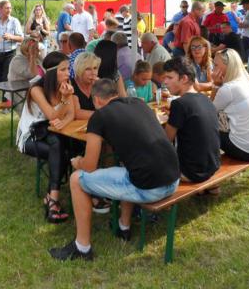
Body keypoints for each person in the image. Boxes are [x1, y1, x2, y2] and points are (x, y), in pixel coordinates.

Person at [49, 78, 179, 260]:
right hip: (173, 180)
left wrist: (78, 162)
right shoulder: (139, 103)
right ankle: (123, 227)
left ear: (96, 99)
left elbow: (90, 165)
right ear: (115, 94)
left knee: (76, 179)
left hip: (150, 188)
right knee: (127, 167)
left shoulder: (99, 116)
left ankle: (82, 247)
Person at [17, 51, 74, 223]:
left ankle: (51, 197)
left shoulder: (65, 86)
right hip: (30, 136)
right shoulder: (36, 89)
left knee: (62, 145)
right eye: (63, 70)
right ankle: (53, 199)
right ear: (52, 72)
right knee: (61, 150)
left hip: (51, 133)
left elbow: (70, 114)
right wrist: (65, 100)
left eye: (68, 69)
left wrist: (62, 123)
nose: (68, 73)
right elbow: (52, 115)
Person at [163, 57, 221, 182]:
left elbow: (166, 140)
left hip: (191, 172)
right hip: (212, 166)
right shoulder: (204, 98)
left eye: (169, 77)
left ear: (184, 79)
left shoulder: (179, 104)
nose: (165, 82)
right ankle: (213, 188)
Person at [211, 48, 249, 161]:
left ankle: (203, 164)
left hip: (247, 150)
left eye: (215, 65)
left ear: (228, 66)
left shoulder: (228, 88)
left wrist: (215, 85)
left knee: (204, 126)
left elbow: (209, 111)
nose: (213, 69)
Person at [7, 37, 44, 114]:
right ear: (26, 49)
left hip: (36, 90)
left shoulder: (38, 58)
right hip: (21, 93)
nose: (38, 50)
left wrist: (37, 56)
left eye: (37, 48)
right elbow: (32, 74)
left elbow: (47, 69)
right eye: (35, 48)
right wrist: (32, 57)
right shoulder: (17, 60)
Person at [71, 52, 101, 120]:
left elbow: (106, 107)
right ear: (79, 69)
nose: (93, 73)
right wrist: (101, 115)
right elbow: (77, 113)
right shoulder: (71, 85)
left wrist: (98, 89)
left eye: (95, 68)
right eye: (88, 69)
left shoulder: (99, 84)